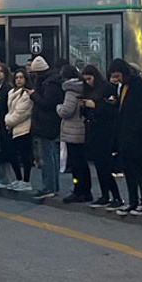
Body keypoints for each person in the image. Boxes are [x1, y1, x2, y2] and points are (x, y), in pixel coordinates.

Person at [108, 59, 142, 215]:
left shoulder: (137, 85)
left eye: (118, 75)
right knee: (128, 170)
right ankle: (132, 201)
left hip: (136, 135)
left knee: (138, 169)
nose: (117, 79)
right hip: (123, 134)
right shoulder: (123, 87)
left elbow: (141, 111)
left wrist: (134, 130)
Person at [81, 64, 122, 208]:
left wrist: (95, 105)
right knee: (98, 165)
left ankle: (116, 196)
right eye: (85, 80)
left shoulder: (107, 88)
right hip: (93, 129)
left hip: (105, 131)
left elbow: (111, 109)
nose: (88, 82)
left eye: (89, 79)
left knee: (105, 165)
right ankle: (105, 195)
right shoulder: (88, 90)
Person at [27, 56, 63, 199]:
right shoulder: (52, 81)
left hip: (46, 123)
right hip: (47, 123)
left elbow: (47, 103)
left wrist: (34, 96)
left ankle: (49, 187)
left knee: (47, 157)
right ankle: (52, 186)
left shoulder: (49, 83)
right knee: (50, 156)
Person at [57, 64, 93, 203]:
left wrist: (58, 107)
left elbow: (66, 110)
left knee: (77, 164)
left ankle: (79, 189)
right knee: (82, 163)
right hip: (80, 128)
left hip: (73, 130)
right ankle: (86, 190)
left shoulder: (71, 91)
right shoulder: (83, 88)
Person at [4, 69, 35, 191]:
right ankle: (18, 179)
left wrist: (7, 121)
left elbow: (21, 113)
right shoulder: (12, 92)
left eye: (21, 77)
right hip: (12, 129)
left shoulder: (27, 94)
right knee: (12, 155)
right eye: (17, 78)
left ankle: (26, 181)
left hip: (24, 129)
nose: (19, 80)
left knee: (25, 156)